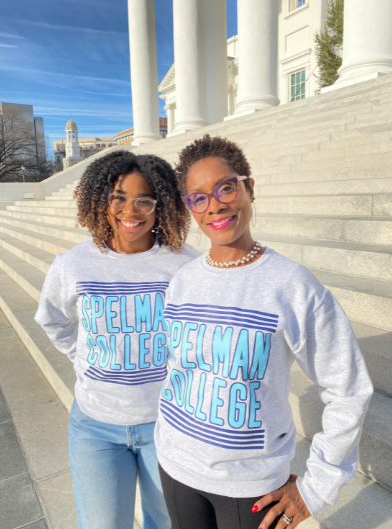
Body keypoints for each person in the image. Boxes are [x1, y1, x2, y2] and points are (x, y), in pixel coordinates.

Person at [154, 135, 373, 529]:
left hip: (248, 485)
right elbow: (178, 369)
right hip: (175, 466)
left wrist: (317, 485)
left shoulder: (292, 284)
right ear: (189, 208)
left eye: (225, 187)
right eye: (197, 197)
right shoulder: (183, 281)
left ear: (249, 188)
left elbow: (348, 388)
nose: (215, 205)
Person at [35, 150, 199, 529]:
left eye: (145, 199)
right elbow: (52, 319)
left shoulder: (185, 264)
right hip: (96, 426)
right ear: (100, 200)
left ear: (162, 205)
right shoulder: (74, 264)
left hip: (167, 425)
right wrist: (83, 356)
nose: (131, 210)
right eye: (118, 197)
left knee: (167, 523)